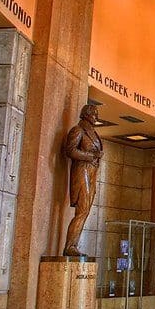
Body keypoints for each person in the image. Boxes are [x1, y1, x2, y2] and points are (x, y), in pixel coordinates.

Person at [62, 104, 104, 257]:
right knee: (82, 211)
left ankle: (73, 245)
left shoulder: (93, 133)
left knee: (85, 211)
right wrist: (90, 156)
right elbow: (70, 150)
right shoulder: (78, 130)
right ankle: (70, 246)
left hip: (92, 172)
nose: (96, 117)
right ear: (86, 115)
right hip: (82, 171)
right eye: (94, 114)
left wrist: (97, 155)